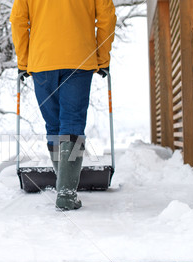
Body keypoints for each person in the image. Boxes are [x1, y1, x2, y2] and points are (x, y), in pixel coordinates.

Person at [10, 0, 117, 210]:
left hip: (42, 61)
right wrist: (102, 58)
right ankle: (66, 193)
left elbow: (18, 20)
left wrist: (24, 61)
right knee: (72, 123)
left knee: (54, 125)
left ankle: (65, 188)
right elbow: (107, 17)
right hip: (80, 58)